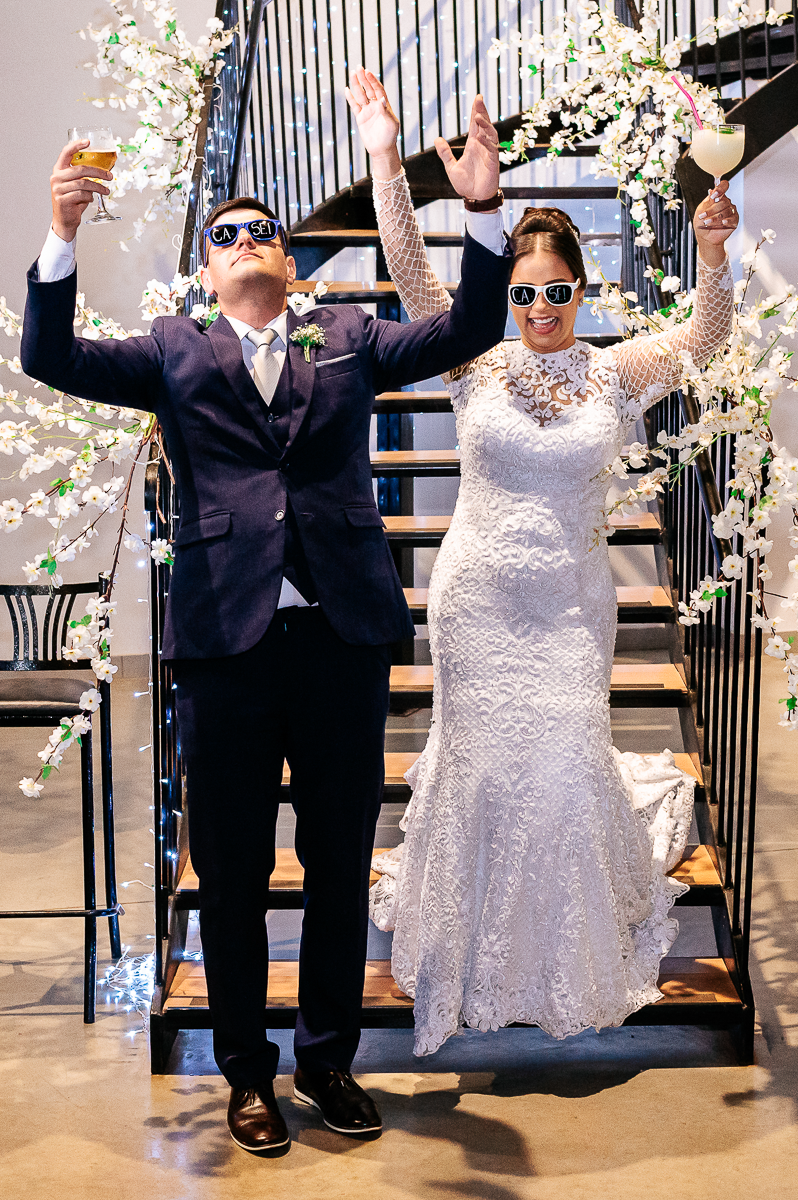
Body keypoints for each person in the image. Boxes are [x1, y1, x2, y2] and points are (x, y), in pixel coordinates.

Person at [20, 136, 512, 1150]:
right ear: (208, 269)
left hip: (341, 640)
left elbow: (467, 326)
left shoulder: (351, 336)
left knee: (337, 863)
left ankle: (327, 1058)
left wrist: (484, 213)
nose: (246, 241)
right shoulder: (172, 349)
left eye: (263, 232)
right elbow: (50, 358)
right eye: (225, 234)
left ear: (288, 260)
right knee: (234, 872)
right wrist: (61, 234)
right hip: (225, 648)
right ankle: (246, 1071)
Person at [346, 69, 738, 1055]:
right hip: (476, 604)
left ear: (580, 287)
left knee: (563, 772)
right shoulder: (469, 353)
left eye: (558, 290)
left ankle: (561, 965)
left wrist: (712, 253)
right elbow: (410, 271)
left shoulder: (612, 368)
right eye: (524, 292)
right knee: (481, 778)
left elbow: (706, 334)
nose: (541, 307)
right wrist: (388, 158)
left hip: (570, 610)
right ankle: (474, 960)